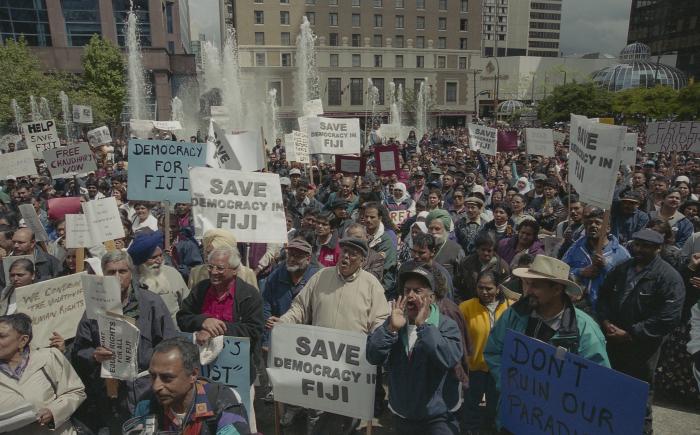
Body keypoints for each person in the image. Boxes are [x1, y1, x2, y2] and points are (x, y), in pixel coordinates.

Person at [268, 237, 390, 434]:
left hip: (352, 367)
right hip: (320, 364)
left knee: (348, 419)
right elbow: (300, 307)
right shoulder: (321, 276)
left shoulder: (371, 284)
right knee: (317, 416)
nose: (347, 257)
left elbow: (381, 318)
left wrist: (376, 336)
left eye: (353, 254)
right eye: (344, 252)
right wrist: (284, 322)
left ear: (362, 260)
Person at [484, 255, 610, 426]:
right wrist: (510, 382)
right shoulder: (515, 314)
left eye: (535, 285)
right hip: (515, 415)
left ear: (557, 289)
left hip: (556, 422)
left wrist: (559, 398)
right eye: (526, 283)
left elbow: (598, 380)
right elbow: (493, 351)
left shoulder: (585, 330)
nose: (527, 291)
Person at [71, 250, 178, 433]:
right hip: (109, 393)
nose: (117, 277)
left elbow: (170, 344)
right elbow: (79, 350)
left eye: (122, 271)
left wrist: (153, 368)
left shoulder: (151, 302)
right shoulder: (94, 307)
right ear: (103, 275)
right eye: (111, 272)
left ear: (132, 273)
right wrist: (94, 356)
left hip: (147, 389)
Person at [597, 229, 685, 435]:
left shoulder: (669, 277)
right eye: (637, 244)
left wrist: (631, 333)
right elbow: (604, 296)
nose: (639, 249)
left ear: (658, 248)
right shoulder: (622, 268)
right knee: (609, 392)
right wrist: (605, 320)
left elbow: (669, 317)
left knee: (639, 396)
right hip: (612, 341)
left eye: (646, 246)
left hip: (643, 347)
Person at [366, 266, 463, 435]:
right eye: (407, 290)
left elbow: (447, 358)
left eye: (417, 291)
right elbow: (372, 355)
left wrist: (423, 326)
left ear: (431, 297)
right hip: (403, 415)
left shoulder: (446, 325)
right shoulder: (395, 322)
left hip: (438, 417)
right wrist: (390, 329)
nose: (410, 295)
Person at [176, 246, 264, 432]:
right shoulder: (201, 289)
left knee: (239, 418)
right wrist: (202, 321)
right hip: (203, 370)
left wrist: (218, 331)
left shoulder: (249, 295)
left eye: (220, 268)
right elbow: (183, 317)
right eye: (210, 267)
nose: (214, 272)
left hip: (237, 372)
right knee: (204, 416)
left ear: (234, 270)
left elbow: (254, 330)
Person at [130, 337, 252, 434]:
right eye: (153, 376)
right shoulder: (146, 404)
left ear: (193, 374)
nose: (156, 386)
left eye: (167, 378)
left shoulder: (222, 402)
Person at [0, 313, 86, 435]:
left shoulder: (49, 357)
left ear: (23, 340)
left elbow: (76, 391)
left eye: (1, 336)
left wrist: (53, 412)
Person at [459, 270, 512, 433]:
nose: (484, 292)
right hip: (474, 368)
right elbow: (459, 337)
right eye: (480, 288)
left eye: (489, 288)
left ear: (498, 288)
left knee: (495, 407)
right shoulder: (466, 307)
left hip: (499, 369)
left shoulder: (511, 307)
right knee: (470, 406)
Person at [562, 207, 630, 312]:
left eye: (597, 223)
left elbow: (627, 284)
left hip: (604, 311)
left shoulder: (621, 254)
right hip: (576, 306)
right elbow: (561, 270)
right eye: (589, 223)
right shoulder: (576, 247)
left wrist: (606, 267)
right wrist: (580, 272)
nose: (592, 226)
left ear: (607, 228)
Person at [128, 230, 190, 325]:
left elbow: (187, 304)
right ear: (141, 261)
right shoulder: (132, 278)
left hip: (173, 330)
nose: (159, 260)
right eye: (153, 258)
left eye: (161, 255)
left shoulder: (172, 273)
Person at [453, 233, 510, 304]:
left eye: (489, 251)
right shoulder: (466, 263)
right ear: (477, 249)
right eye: (483, 250)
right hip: (469, 304)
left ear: (494, 251)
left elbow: (506, 291)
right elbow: (457, 285)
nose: (486, 253)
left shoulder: (502, 267)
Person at [425, 209, 464, 279]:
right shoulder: (423, 247)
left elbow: (461, 276)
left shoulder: (456, 249)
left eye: (437, 229)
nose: (433, 232)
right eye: (431, 228)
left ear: (445, 229)